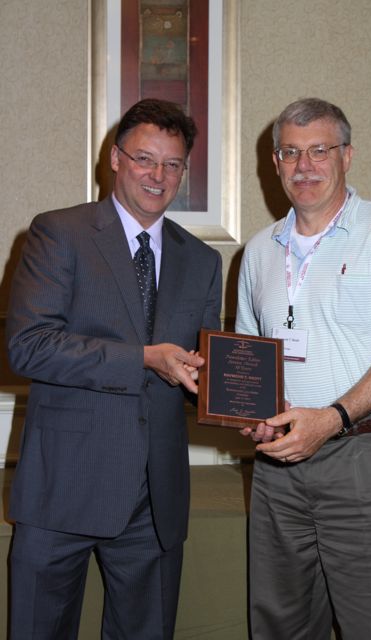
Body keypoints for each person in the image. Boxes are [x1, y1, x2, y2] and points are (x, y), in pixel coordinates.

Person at [6, 98, 222, 639]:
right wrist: (143, 359)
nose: (158, 176)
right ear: (116, 159)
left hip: (155, 499)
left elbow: (201, 372)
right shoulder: (59, 233)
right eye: (145, 159)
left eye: (172, 164)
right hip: (63, 487)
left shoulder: (202, 260)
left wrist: (242, 399)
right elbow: (28, 346)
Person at [236, 97, 371, 640]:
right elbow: (249, 353)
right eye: (291, 153)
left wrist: (332, 419)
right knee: (282, 625)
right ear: (274, 162)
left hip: (369, 457)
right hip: (279, 466)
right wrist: (250, 415)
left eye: (319, 150)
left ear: (347, 155)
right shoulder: (259, 251)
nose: (305, 166)